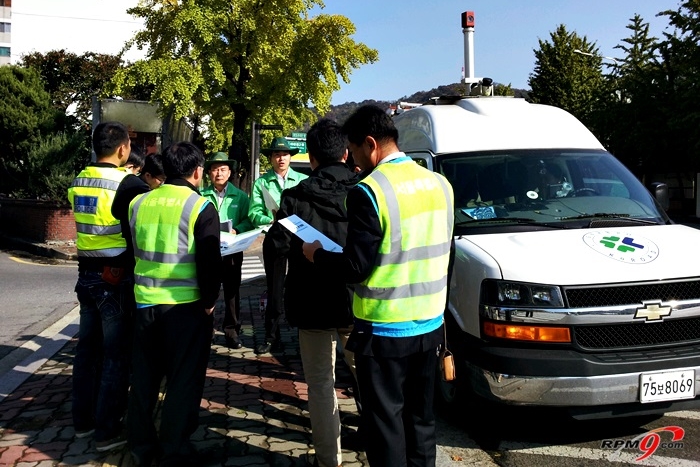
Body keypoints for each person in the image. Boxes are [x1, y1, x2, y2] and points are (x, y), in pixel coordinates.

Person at [302, 105, 455, 467]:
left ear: (371, 144)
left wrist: (318, 255)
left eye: (355, 153)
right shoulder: (440, 184)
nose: (354, 163)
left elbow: (356, 267)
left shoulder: (369, 192)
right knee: (421, 421)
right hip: (431, 325)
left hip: (385, 331)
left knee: (385, 426)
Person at [264, 119, 361, 467]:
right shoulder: (364, 192)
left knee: (320, 383)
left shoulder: (295, 197)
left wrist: (273, 305)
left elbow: (276, 248)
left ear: (312, 156)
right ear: (347, 153)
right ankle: (377, 438)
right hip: (357, 301)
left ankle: (328, 458)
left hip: (311, 301)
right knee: (365, 375)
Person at [127, 141, 223, 467]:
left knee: (143, 378)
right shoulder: (200, 206)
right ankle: (174, 451)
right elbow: (209, 264)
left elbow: (133, 251)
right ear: (197, 171)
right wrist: (210, 302)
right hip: (185, 307)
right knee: (183, 379)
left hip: (143, 303)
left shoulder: (138, 204)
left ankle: (140, 447)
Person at [66, 121, 134, 452]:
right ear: (122, 149)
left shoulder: (79, 180)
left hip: (85, 275)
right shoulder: (126, 183)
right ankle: (107, 431)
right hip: (114, 277)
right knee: (115, 356)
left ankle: (82, 423)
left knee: (85, 352)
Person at [248, 137, 308, 354]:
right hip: (274, 239)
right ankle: (272, 337)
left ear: (291, 157)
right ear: (271, 158)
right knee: (274, 290)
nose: (281, 158)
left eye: (284, 154)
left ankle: (304, 336)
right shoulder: (261, 183)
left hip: (299, 240)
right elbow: (254, 213)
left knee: (301, 287)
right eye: (276, 154)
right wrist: (269, 219)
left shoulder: (302, 180)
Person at [201, 151, 254, 349]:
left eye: (223, 169)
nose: (219, 173)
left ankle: (232, 330)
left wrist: (237, 229)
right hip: (209, 250)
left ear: (230, 173)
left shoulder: (240, 197)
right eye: (215, 170)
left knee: (232, 292)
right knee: (208, 290)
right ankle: (207, 329)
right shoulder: (201, 195)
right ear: (209, 173)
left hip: (232, 250)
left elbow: (249, 219)